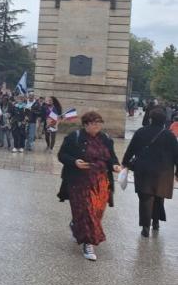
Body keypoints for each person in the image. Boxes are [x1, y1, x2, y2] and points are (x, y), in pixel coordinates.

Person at [57, 111, 121, 261]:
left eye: (99, 123)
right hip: (79, 182)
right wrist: (74, 162)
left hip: (101, 182)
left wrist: (116, 166)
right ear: (86, 124)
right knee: (87, 212)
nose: (97, 126)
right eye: (93, 123)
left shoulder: (105, 139)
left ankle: (76, 224)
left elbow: (111, 157)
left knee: (97, 212)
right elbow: (62, 155)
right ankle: (88, 243)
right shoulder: (75, 137)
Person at [122, 109, 178, 237]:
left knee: (145, 199)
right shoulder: (170, 136)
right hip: (163, 174)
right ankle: (156, 222)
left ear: (151, 119)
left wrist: (125, 163)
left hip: (144, 171)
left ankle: (145, 227)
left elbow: (131, 149)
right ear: (164, 121)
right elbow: (177, 155)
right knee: (159, 197)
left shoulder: (141, 132)